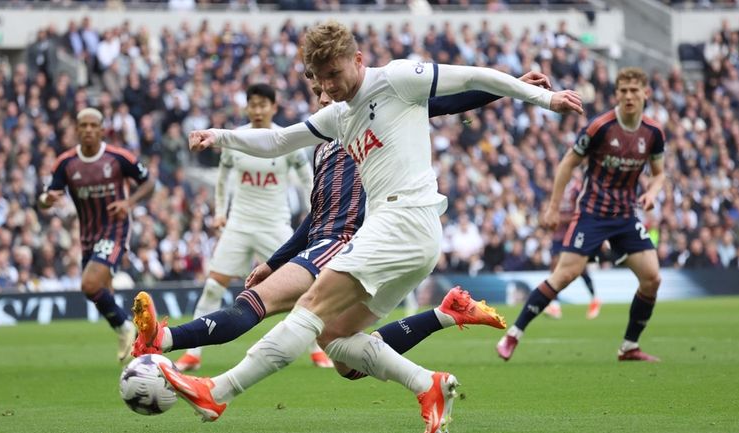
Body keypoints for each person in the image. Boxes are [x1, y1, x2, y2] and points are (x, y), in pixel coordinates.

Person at [138, 20, 581, 432]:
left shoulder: (397, 78)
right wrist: (220, 135)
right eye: (320, 78)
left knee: (311, 305)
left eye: (334, 73)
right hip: (400, 232)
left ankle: (219, 391)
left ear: (358, 59)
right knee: (335, 339)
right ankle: (428, 384)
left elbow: (470, 79)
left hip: (405, 218)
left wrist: (545, 99)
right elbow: (277, 140)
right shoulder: (338, 115)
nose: (329, 86)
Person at [132, 70, 553, 377]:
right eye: (316, 92)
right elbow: (316, 213)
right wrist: (278, 261)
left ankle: (168, 343)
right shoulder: (324, 141)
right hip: (328, 241)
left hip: (351, 241)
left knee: (256, 304)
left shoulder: (375, 118)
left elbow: (447, 102)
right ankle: (444, 314)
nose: (322, 97)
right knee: (346, 361)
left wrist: (513, 87)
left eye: (327, 88)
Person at [496, 67, 665, 363]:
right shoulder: (600, 127)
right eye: (623, 90)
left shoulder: (652, 133)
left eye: (634, 90)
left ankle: (629, 347)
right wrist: (552, 206)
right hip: (593, 214)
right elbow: (567, 164)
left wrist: (652, 192)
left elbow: (660, 173)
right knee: (565, 275)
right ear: (616, 94)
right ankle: (513, 334)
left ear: (645, 94)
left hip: (626, 216)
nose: (628, 96)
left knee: (652, 278)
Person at [172, 83, 321, 371]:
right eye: (252, 104)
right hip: (239, 223)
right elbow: (222, 178)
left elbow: (307, 180)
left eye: (263, 104)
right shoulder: (236, 138)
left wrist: (317, 211)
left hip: (274, 225)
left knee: (305, 287)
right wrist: (219, 212)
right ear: (247, 107)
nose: (257, 110)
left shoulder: (285, 139)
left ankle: (317, 348)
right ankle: (193, 352)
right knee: (214, 286)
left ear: (273, 107)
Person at [39, 107, 154, 361]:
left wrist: (129, 203)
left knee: (89, 285)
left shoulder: (118, 157)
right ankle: (141, 343)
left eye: (94, 125)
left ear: (102, 130)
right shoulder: (66, 163)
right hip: (88, 235)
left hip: (116, 228)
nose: (89, 130)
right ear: (77, 130)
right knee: (102, 290)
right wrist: (46, 199)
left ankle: (125, 327)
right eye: (84, 126)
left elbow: (149, 182)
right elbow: (45, 200)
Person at [542, 169, 601, 320]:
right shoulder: (556, 189)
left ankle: (594, 299)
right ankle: (555, 305)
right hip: (558, 234)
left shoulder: (576, 188)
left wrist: (560, 219)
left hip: (573, 232)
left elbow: (580, 213)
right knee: (554, 267)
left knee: (580, 269)